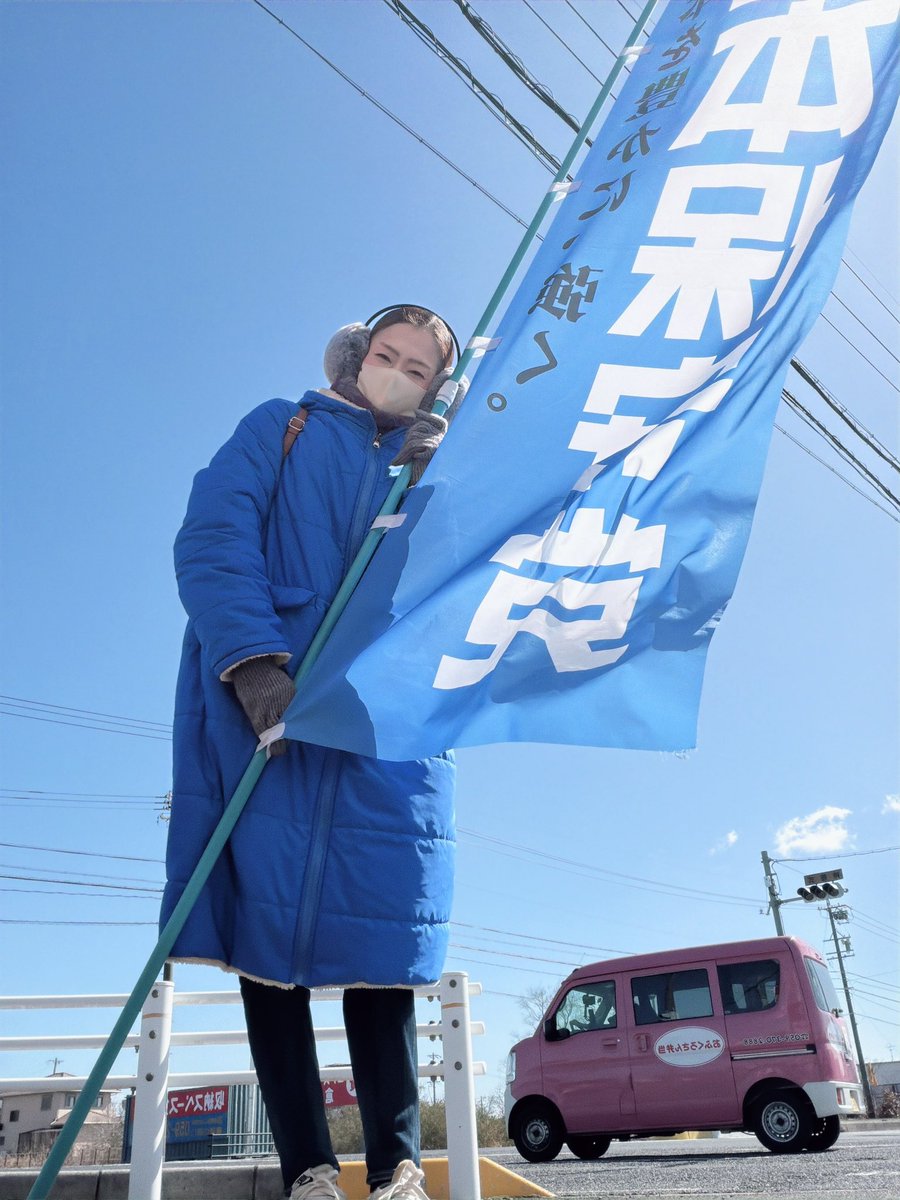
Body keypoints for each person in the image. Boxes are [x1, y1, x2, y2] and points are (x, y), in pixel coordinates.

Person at [160, 306, 464, 1200]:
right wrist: (254, 665)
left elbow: (462, 587)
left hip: (383, 723)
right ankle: (309, 1171)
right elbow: (214, 538)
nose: (397, 374)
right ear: (352, 356)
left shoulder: (438, 467)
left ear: (438, 388)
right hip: (270, 706)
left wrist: (440, 490)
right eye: (386, 355)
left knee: (382, 934)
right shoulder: (280, 427)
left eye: (418, 368)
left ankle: (398, 1164)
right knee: (267, 934)